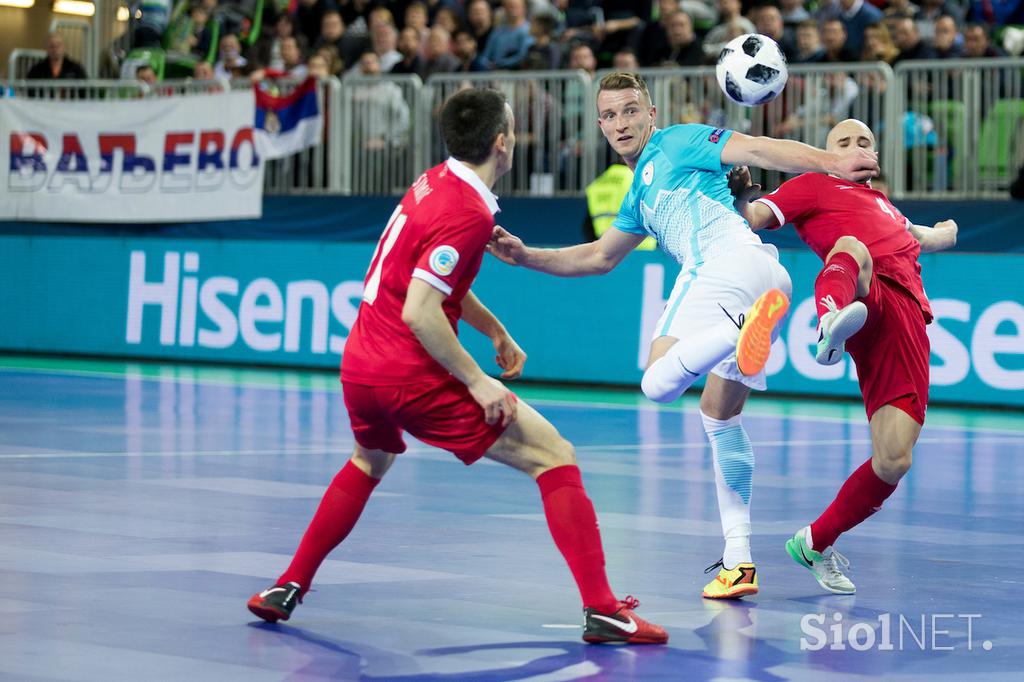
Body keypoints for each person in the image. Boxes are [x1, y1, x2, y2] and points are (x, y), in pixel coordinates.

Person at [247, 87, 669, 646]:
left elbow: (432, 284)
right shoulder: (466, 212)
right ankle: (603, 609)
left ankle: (287, 585)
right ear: (502, 142)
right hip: (409, 372)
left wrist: (494, 330)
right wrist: (478, 380)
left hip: (361, 369)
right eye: (514, 129)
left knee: (367, 462)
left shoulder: (434, 182)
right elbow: (422, 312)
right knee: (554, 456)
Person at [487, 72, 879, 600]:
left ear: (651, 114)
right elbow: (599, 257)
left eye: (631, 111)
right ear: (600, 125)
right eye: (610, 115)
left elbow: (760, 146)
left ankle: (738, 329)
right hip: (765, 276)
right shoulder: (637, 195)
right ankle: (738, 561)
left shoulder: (679, 139)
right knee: (721, 419)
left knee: (657, 383)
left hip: (724, 267)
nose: (621, 123)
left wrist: (834, 162)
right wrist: (526, 256)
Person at [731, 118, 957, 594]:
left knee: (894, 460)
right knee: (851, 247)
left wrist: (944, 232)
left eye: (864, 141)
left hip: (908, 322)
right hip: (863, 294)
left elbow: (924, 237)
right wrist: (741, 194)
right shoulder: (812, 184)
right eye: (843, 142)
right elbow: (756, 218)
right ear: (828, 152)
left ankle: (815, 542)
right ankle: (828, 318)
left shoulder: (889, 209)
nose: (856, 147)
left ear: (875, 156)